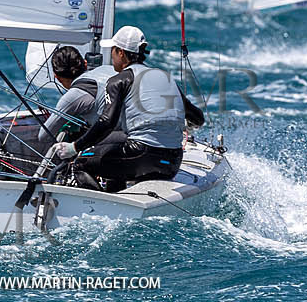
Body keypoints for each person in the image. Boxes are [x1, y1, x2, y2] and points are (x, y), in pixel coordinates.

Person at [48, 25, 204, 192]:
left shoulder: (119, 80)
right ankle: (115, 194)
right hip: (172, 162)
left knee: (81, 164)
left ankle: (101, 208)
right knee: (115, 159)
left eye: (113, 51)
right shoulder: (164, 76)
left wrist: (75, 147)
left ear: (120, 52)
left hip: (141, 156)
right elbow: (197, 118)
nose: (112, 56)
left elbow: (107, 123)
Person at [25, 46, 112, 155]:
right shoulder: (109, 69)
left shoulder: (73, 96)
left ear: (57, 77)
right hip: (136, 132)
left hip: (124, 141)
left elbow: (43, 136)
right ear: (85, 63)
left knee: (78, 165)